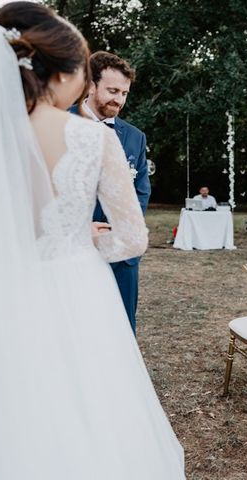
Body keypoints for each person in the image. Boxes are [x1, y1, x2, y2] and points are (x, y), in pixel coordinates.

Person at [0, 4, 184, 478]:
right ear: (63, 73)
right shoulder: (89, 138)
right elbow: (133, 238)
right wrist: (85, 242)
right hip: (75, 289)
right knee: (91, 406)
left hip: (2, 291)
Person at [73, 51, 150, 334]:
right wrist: (82, 229)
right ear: (91, 85)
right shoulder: (60, 122)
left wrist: (121, 228)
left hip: (121, 253)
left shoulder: (135, 137)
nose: (119, 99)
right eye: (112, 90)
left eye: (125, 93)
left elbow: (141, 190)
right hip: (75, 249)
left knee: (120, 330)